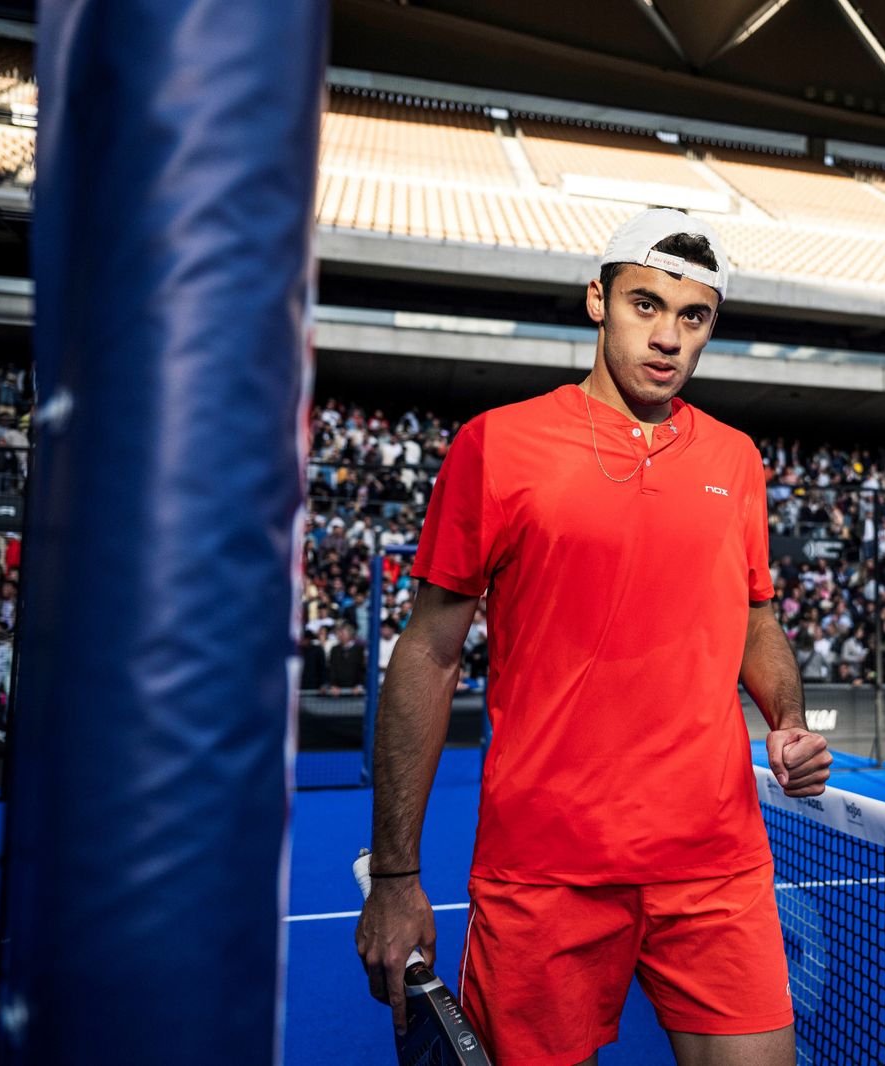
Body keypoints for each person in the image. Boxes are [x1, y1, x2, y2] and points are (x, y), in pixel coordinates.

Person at [355, 209, 830, 1066]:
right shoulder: (495, 444)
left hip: (716, 865)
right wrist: (395, 877)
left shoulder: (736, 459)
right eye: (645, 305)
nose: (668, 337)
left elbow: (754, 617)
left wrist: (787, 720)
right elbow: (426, 653)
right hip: (545, 874)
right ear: (596, 301)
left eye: (694, 317)